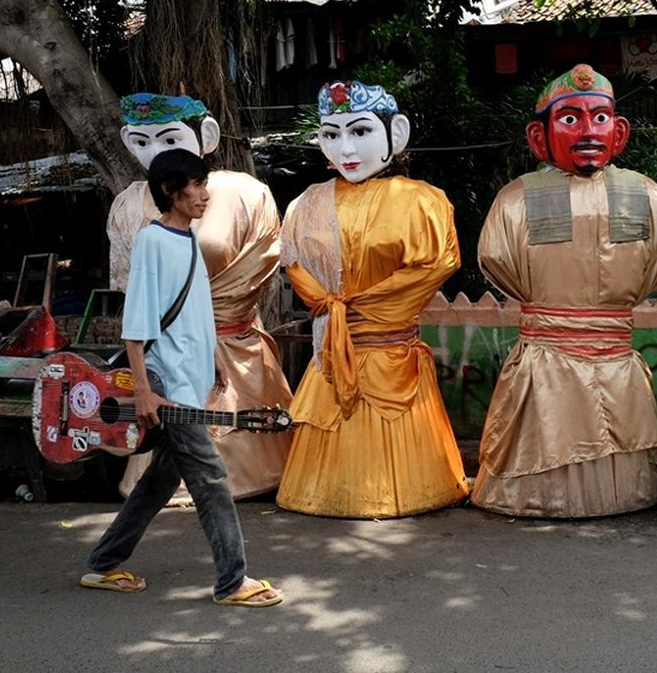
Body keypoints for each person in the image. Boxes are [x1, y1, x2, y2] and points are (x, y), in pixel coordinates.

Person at [472, 64, 657, 518]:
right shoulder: (516, 199)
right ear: (540, 137)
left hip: (588, 352)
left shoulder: (651, 197)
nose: (588, 130)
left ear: (619, 132)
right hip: (551, 356)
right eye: (570, 119)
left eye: (599, 118)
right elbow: (498, 259)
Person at [81, 149, 282, 607]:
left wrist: (211, 357)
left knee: (159, 482)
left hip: (187, 380)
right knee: (211, 478)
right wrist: (146, 391)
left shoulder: (186, 238)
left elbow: (193, 309)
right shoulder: (152, 241)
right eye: (196, 185)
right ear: (172, 191)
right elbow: (137, 326)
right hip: (166, 384)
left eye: (204, 184)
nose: (205, 194)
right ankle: (233, 582)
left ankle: (103, 563)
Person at [274, 80, 469, 518]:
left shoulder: (421, 200)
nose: (346, 148)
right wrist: (332, 305)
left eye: (360, 132)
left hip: (389, 349)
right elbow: (293, 264)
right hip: (334, 348)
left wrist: (352, 308)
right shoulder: (306, 203)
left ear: (395, 134)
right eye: (331, 134)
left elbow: (433, 266)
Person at [109, 93, 292, 501]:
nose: (155, 152)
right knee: (171, 463)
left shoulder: (246, 193)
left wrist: (213, 325)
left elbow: (258, 265)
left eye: (169, 140)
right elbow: (133, 302)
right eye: (141, 142)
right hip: (167, 354)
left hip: (231, 344)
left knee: (209, 461)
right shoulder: (128, 208)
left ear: (206, 135)